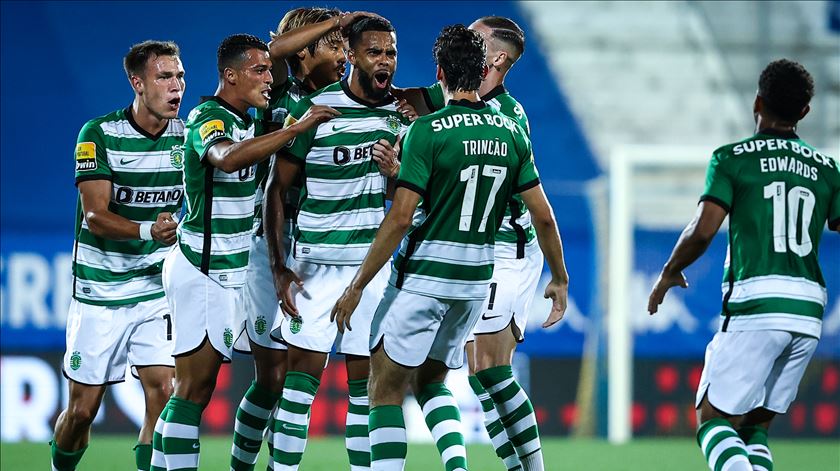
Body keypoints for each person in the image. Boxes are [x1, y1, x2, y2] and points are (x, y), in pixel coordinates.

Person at [331, 24, 569, 471]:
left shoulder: (482, 121)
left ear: (491, 62)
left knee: (388, 385)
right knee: (445, 376)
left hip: (487, 257)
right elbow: (542, 211)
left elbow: (403, 214)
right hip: (476, 272)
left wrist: (358, 284)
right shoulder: (503, 129)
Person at [150, 34, 336, 471]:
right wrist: (295, 129)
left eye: (270, 70)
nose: (269, 78)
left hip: (228, 271)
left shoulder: (249, 122)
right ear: (230, 75)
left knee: (196, 389)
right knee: (193, 391)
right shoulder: (206, 116)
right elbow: (226, 158)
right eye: (259, 70)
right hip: (201, 269)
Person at [648, 59, 840, 471]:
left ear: (757, 101)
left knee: (713, 422)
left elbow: (702, 231)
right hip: (808, 312)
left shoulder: (732, 158)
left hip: (758, 305)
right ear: (804, 112)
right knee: (753, 427)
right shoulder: (828, 168)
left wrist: (668, 272)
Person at [393, 16, 546, 470]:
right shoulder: (458, 102)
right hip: (477, 246)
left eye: (475, 40)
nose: (465, 44)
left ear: (496, 58)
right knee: (481, 374)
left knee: (490, 368)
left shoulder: (505, 115)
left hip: (505, 247)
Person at [266, 15, 407, 471]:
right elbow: (276, 190)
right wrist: (278, 264)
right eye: (374, 51)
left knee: (366, 392)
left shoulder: (398, 116)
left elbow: (400, 198)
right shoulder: (315, 111)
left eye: (390, 52)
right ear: (351, 55)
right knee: (298, 389)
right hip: (315, 267)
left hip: (369, 272)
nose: (384, 60)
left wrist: (394, 174)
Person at [229, 8, 363, 471]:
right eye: (335, 45)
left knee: (300, 375)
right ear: (306, 50)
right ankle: (242, 465)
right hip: (270, 246)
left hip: (318, 249)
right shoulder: (280, 93)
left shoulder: (346, 102)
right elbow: (273, 52)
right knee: (271, 378)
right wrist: (336, 21)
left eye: (347, 46)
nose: (345, 54)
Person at [51, 40, 185, 471]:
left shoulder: (189, 138)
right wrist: (149, 229)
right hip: (100, 291)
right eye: (164, 77)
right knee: (82, 412)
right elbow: (95, 216)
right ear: (138, 83)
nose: (176, 86)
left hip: (156, 287)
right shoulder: (99, 134)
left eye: (180, 76)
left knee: (164, 392)